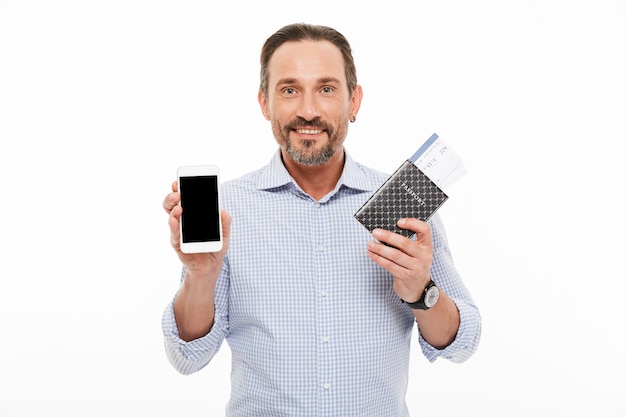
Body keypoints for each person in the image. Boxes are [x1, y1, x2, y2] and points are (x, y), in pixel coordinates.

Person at [162, 22, 481, 416]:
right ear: (264, 102)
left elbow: (462, 343)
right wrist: (200, 276)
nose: (308, 110)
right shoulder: (226, 210)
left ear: (354, 101)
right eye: (289, 90)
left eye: (326, 89)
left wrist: (421, 290)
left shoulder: (403, 206)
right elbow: (188, 356)